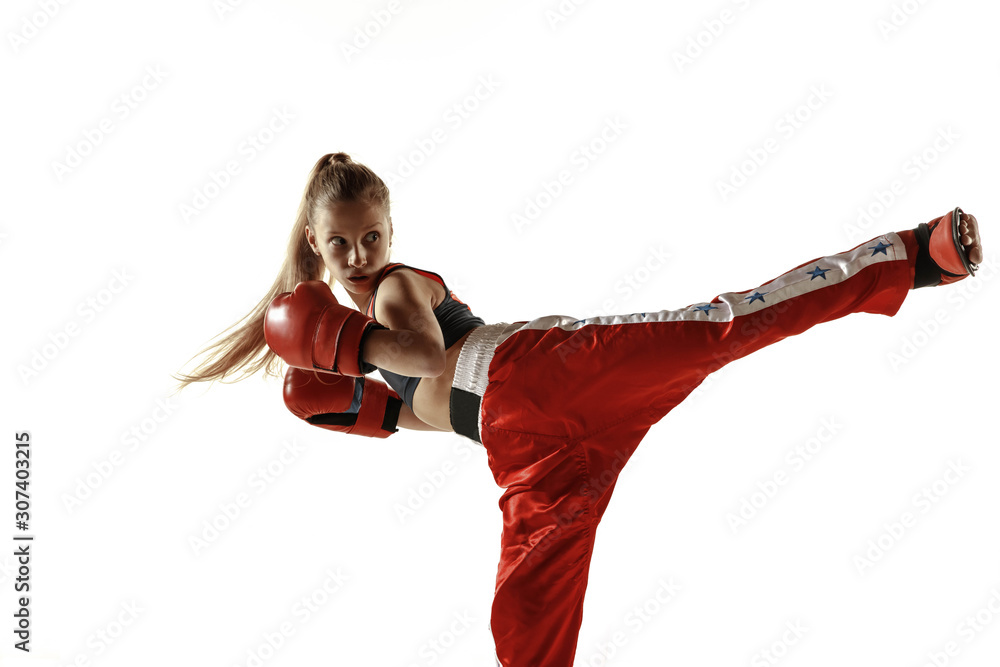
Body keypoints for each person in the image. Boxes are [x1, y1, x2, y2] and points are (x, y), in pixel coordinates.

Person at [173, 152, 983, 666]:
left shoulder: (393, 291)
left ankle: (917, 251)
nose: (360, 257)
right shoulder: (355, 332)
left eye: (372, 237)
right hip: (523, 452)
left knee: (730, 323)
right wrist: (372, 411)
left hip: (553, 374)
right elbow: (433, 402)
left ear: (391, 233)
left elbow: (421, 354)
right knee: (526, 624)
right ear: (315, 244)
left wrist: (350, 348)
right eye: (342, 244)